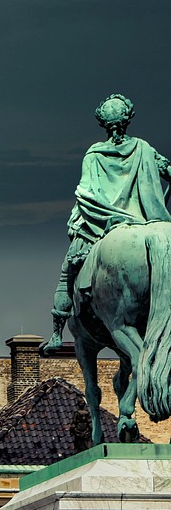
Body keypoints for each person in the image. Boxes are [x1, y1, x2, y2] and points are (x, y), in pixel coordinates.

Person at [47, 94, 171, 351]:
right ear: (129, 118)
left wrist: (106, 214)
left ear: (103, 123)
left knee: (67, 272)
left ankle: (57, 334)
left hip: (103, 223)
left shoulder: (94, 153)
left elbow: (87, 192)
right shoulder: (144, 148)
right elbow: (168, 171)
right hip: (145, 221)